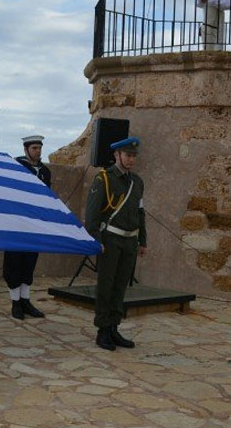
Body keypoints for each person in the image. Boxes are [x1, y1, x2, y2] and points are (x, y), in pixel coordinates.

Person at [84, 137, 147, 351]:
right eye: (128, 155)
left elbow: (140, 213)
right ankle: (102, 330)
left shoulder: (136, 182)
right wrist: (96, 240)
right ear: (116, 155)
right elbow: (91, 215)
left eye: (134, 156)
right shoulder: (104, 179)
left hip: (130, 241)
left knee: (120, 286)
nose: (131, 160)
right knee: (106, 286)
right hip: (110, 240)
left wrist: (142, 240)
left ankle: (114, 327)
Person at [3, 135, 50, 320]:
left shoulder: (45, 171)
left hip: (35, 224)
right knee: (14, 263)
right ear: (26, 150)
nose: (38, 151)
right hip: (17, 223)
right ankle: (15, 303)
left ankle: (25, 300)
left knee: (29, 262)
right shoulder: (16, 167)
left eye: (39, 148)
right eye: (34, 148)